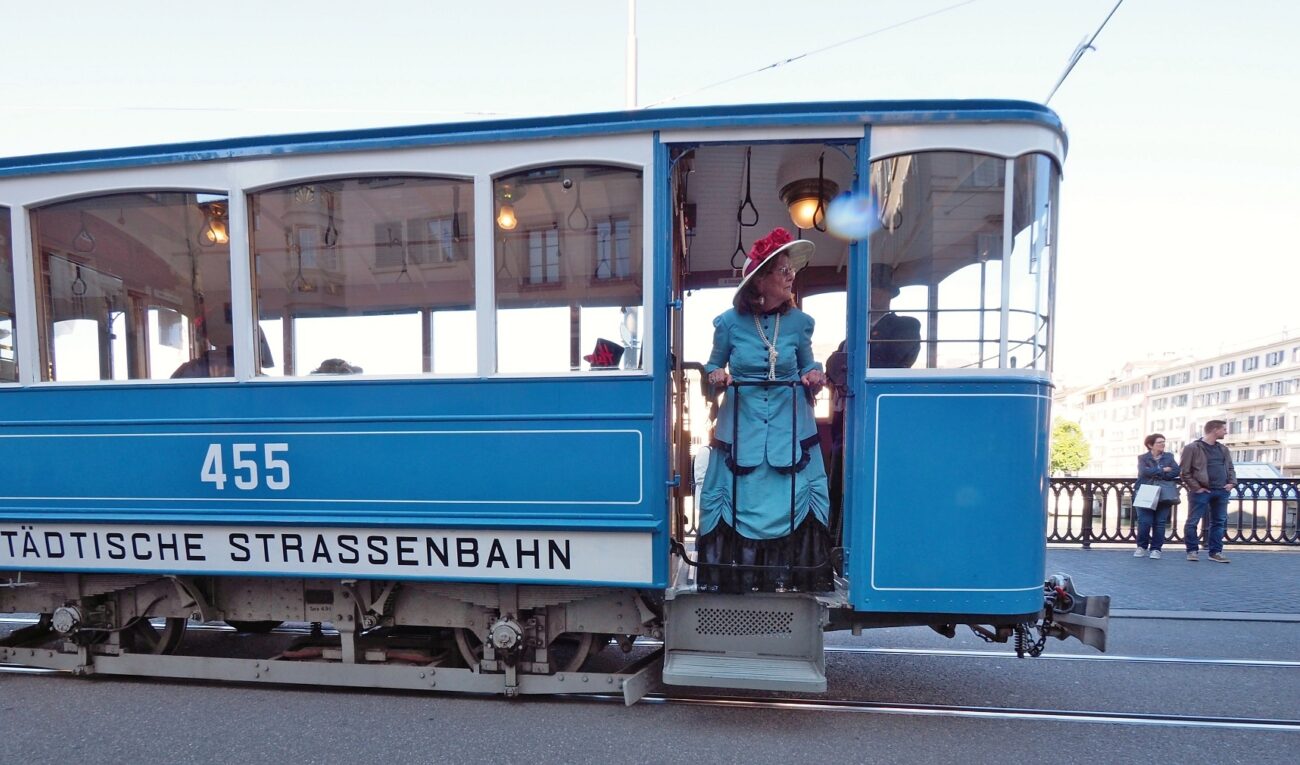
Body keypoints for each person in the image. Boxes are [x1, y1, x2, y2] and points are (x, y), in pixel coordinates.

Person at [697, 227, 831, 593]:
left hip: (790, 428)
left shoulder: (801, 323)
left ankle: (787, 577)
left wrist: (814, 375)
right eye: (783, 270)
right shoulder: (727, 323)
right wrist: (718, 376)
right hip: (742, 425)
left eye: (791, 270)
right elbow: (711, 367)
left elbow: (806, 364)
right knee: (737, 493)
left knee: (792, 492)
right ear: (761, 280)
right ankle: (736, 576)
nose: (791, 276)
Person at [1179, 420, 1237, 563]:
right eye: (1224, 429)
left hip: (1221, 490)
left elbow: (1230, 468)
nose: (1226, 432)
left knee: (1219, 522)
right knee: (1193, 521)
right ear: (1214, 430)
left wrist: (1232, 483)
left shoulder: (1223, 449)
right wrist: (1197, 488)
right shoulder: (1192, 448)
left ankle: (1215, 552)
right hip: (1201, 491)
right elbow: (1184, 472)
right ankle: (1192, 551)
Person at [1134, 433, 1179, 559]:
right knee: (1144, 521)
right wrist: (1163, 470)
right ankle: (1141, 547)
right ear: (1150, 445)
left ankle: (1156, 549)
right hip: (1145, 491)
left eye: (1164, 442)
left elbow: (1176, 471)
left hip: (1164, 492)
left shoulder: (1169, 456)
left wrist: (1156, 472)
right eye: (1159, 442)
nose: (1163, 444)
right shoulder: (1143, 458)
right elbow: (1144, 472)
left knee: (1160, 522)